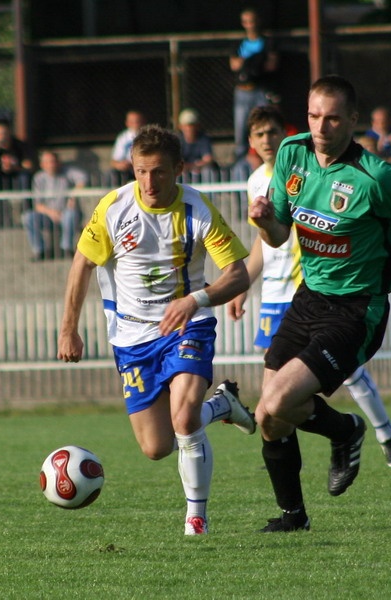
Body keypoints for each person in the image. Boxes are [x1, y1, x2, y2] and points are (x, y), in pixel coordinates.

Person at [247, 75, 391, 532]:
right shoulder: (293, 153)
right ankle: (293, 517)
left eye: (332, 118)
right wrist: (266, 222)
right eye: (313, 115)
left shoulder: (377, 177)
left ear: (353, 121)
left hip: (357, 309)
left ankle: (347, 431)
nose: (320, 127)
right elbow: (282, 234)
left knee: (277, 399)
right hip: (309, 298)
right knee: (268, 417)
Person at [57, 124, 255, 536]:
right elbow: (82, 264)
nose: (149, 182)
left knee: (184, 419)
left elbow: (237, 275)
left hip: (188, 326)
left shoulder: (198, 210)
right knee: (156, 447)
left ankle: (196, 518)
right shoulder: (113, 207)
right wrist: (68, 329)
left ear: (179, 169)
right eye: (142, 171)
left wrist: (194, 300)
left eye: (159, 172)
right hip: (131, 338)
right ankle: (221, 406)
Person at [229, 104, 391, 467]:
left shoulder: (304, 166)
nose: (267, 140)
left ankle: (384, 431)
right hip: (275, 295)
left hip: (312, 289)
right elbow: (265, 241)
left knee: (345, 372)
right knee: (276, 397)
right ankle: (292, 507)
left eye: (272, 133)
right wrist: (243, 284)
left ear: (286, 135)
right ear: (250, 141)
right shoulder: (254, 182)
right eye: (259, 135)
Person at [230, 7, 279, 165]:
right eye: (246, 21)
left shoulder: (267, 42)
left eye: (252, 21)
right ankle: (240, 163)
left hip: (260, 90)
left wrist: (256, 63)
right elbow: (234, 65)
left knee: (264, 124)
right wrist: (251, 61)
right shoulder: (239, 43)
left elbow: (271, 64)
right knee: (241, 129)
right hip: (243, 91)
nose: (250, 25)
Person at [22, 150, 86, 261]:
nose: (52, 164)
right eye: (48, 162)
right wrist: (52, 213)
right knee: (28, 217)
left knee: (70, 214)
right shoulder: (39, 178)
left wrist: (73, 196)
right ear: (42, 164)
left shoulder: (67, 172)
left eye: (53, 161)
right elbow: (38, 205)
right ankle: (39, 251)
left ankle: (66, 248)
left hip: (66, 213)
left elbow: (83, 178)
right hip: (47, 215)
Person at [0, 118, 33, 188]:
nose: (0, 137)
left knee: (25, 176)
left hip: (16, 177)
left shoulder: (20, 146)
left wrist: (14, 167)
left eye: (3, 134)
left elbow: (29, 165)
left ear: (9, 132)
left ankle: (23, 198)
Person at [176, 109, 217, 179]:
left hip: (200, 169)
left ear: (197, 126)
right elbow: (175, 161)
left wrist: (195, 166)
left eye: (192, 125)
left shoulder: (204, 139)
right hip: (184, 170)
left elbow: (208, 159)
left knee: (208, 170)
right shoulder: (177, 140)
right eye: (186, 126)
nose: (189, 128)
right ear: (181, 126)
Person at [109, 110, 145, 184]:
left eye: (137, 121)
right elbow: (114, 161)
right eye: (132, 122)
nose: (135, 124)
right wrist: (120, 165)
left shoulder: (146, 136)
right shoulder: (122, 138)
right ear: (127, 123)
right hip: (127, 171)